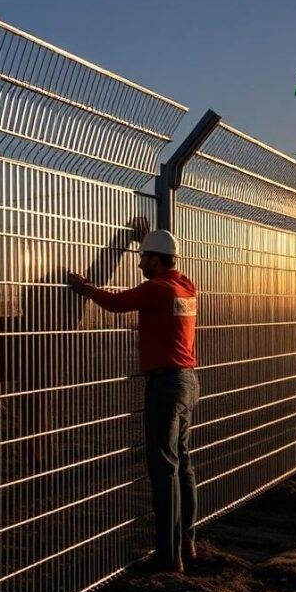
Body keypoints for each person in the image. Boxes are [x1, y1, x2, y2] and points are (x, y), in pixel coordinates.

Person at [67, 218, 199, 573]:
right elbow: (167, 267)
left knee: (164, 469)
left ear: (156, 261)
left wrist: (85, 288)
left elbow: (116, 302)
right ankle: (187, 540)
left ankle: (168, 557)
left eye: (144, 259)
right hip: (188, 382)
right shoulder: (186, 287)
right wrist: (151, 240)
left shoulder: (157, 290)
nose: (140, 264)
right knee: (183, 465)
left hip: (166, 386)